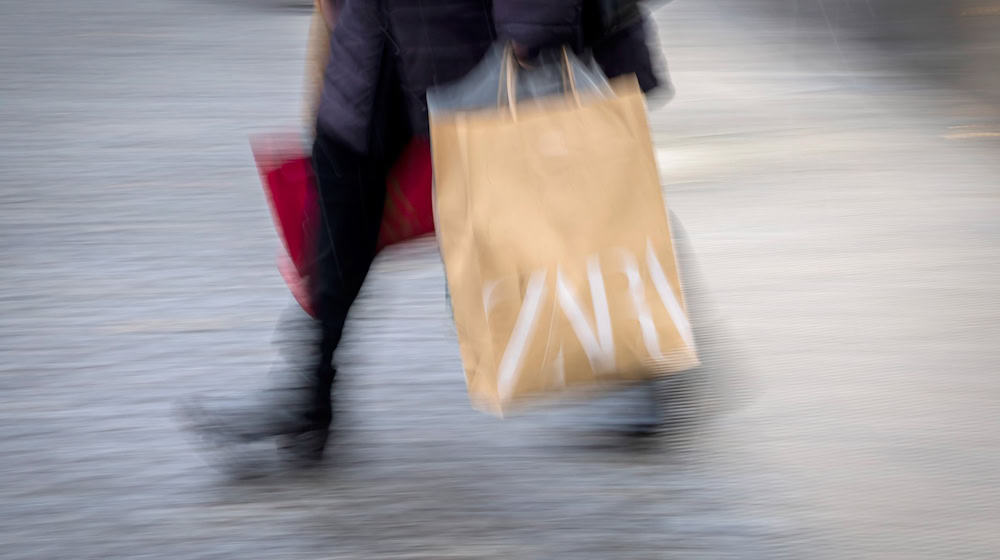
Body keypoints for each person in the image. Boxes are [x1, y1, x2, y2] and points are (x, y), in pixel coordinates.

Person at [181, 0, 668, 463]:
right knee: (343, 190)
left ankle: (651, 357)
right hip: (375, 31)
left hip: (476, 32)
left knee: (575, 196)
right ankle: (309, 393)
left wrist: (534, 26)